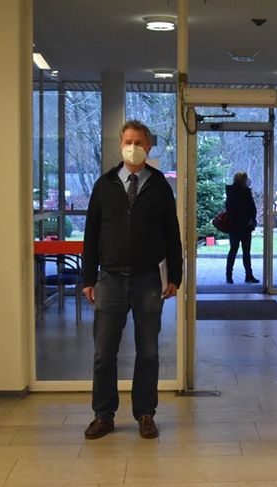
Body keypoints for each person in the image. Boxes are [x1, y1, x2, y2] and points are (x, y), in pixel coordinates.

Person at [81, 120, 183, 440]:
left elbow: (171, 235)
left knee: (149, 351)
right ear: (120, 144)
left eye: (139, 142)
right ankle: (103, 414)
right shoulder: (104, 184)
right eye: (128, 141)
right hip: (109, 280)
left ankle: (145, 413)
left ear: (149, 147)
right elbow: (91, 234)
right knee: (104, 352)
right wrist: (88, 277)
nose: (133, 147)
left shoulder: (159, 186)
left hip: (147, 281)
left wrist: (175, 277)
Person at [224, 172, 258, 284]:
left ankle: (229, 276)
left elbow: (231, 208)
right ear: (243, 180)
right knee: (246, 251)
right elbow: (251, 207)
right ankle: (248, 275)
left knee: (233, 250)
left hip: (234, 226)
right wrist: (250, 219)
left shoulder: (230, 191)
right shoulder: (244, 192)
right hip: (244, 226)